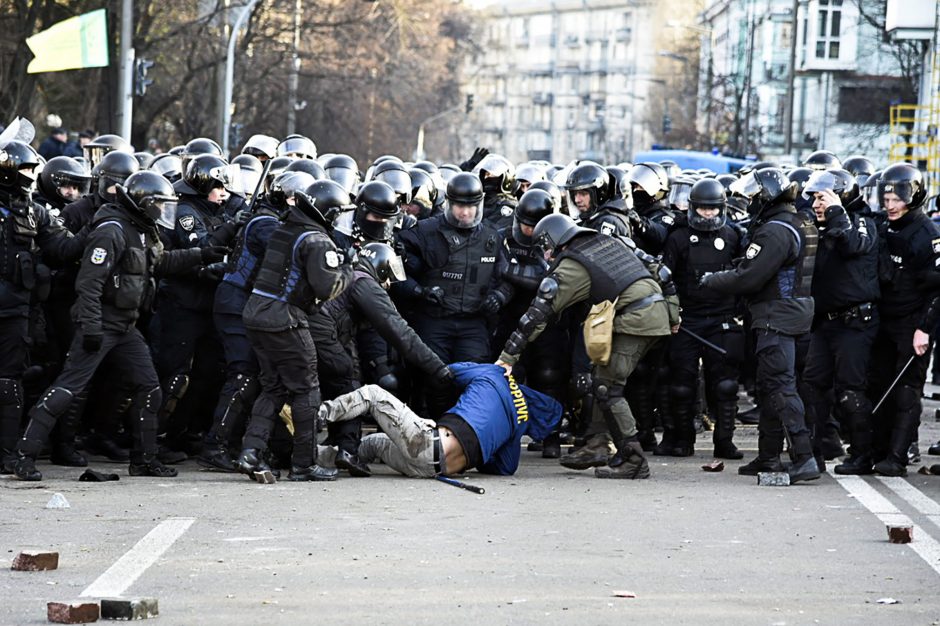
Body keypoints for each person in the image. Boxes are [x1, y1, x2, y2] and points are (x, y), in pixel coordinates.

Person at [12, 171, 220, 480]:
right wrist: (92, 328)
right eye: (159, 204)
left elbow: (158, 262)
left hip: (125, 326)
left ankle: (144, 460)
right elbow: (89, 285)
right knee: (67, 388)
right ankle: (23, 457)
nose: (163, 211)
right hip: (100, 324)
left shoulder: (142, 229)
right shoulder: (111, 230)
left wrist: (201, 254)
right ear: (143, 202)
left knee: (149, 388)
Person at [496, 213, 676, 479]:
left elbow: (538, 314)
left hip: (634, 320)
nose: (546, 256)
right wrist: (673, 315)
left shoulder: (572, 264)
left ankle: (633, 457)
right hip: (652, 314)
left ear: (554, 242)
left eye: (546, 248)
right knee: (598, 378)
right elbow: (662, 272)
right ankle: (597, 443)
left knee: (608, 388)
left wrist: (508, 357)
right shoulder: (609, 241)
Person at [700, 167, 820, 484]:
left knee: (781, 388)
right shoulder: (800, 220)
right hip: (795, 313)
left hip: (776, 317)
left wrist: (713, 280)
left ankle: (803, 457)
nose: (748, 202)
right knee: (771, 386)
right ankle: (769, 455)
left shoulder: (775, 230)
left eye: (752, 196)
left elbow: (751, 277)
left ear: (764, 197)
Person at [236, 186, 353, 481]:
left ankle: (250, 453)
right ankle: (303, 464)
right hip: (284, 319)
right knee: (306, 389)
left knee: (273, 386)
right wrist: (349, 269)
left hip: (256, 313)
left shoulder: (284, 228)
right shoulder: (317, 240)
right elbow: (326, 288)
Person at [310, 242, 454, 476]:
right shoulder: (364, 283)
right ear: (381, 268)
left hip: (302, 329)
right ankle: (347, 452)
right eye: (388, 277)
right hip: (320, 332)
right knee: (348, 385)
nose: (388, 284)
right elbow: (400, 333)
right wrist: (438, 368)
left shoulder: (347, 275)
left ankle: (286, 449)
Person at [0, 140, 88, 474]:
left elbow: (63, 246)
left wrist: (95, 223)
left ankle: (8, 454)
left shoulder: (33, 209)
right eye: (25, 169)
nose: (31, 176)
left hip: (16, 312)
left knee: (9, 382)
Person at [317, 362, 562, 477]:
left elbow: (449, 370)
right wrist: (483, 450)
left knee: (371, 394)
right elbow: (506, 469)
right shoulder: (520, 421)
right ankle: (315, 454)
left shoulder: (494, 374)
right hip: (431, 470)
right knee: (374, 443)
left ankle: (317, 416)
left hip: (428, 443)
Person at [398, 172, 507, 417]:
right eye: (459, 206)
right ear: (449, 203)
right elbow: (395, 270)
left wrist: (499, 296)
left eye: (470, 207)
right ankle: (435, 431)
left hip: (473, 322)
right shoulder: (425, 231)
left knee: (475, 378)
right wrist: (419, 291)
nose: (465, 213)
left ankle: (464, 432)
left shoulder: (491, 237)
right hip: (435, 319)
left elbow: (507, 278)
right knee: (436, 378)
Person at [798, 171, 880, 475]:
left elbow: (852, 246)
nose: (817, 204)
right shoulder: (819, 226)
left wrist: (836, 213)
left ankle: (862, 455)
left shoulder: (861, 221)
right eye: (816, 198)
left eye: (822, 198)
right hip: (825, 322)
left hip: (855, 321)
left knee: (850, 390)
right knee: (813, 385)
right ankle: (813, 453)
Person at [661, 178, 744, 459]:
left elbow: (745, 274)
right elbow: (666, 279)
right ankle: (684, 440)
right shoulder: (678, 237)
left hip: (722, 318)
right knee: (682, 385)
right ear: (692, 208)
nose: (707, 215)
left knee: (725, 384)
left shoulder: (733, 236)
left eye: (712, 210)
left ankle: (725, 441)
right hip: (689, 320)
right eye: (702, 210)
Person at [870, 163, 940, 476]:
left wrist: (924, 329)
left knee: (906, 390)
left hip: (914, 323)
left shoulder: (927, 234)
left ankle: (897, 457)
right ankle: (878, 450)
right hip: (886, 318)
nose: (890, 205)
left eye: (897, 199)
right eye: (886, 199)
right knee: (879, 384)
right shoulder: (886, 226)